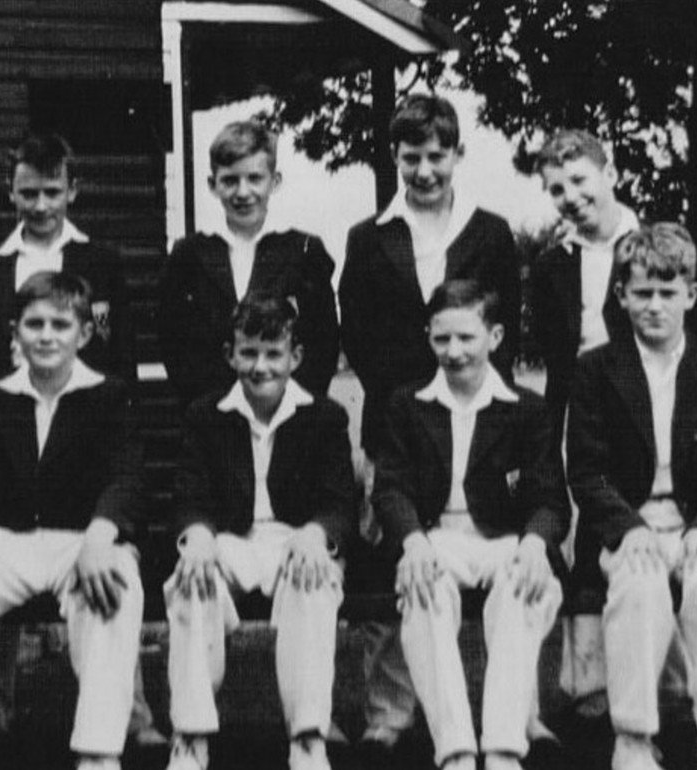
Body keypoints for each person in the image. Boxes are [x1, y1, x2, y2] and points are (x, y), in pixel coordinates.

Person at [339, 93, 521, 756]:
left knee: (491, 543)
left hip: (474, 411)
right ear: (395, 157)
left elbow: (509, 323)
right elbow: (355, 331)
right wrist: (390, 418)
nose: (423, 170)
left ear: (456, 155)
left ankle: (515, 717)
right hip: (396, 418)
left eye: (436, 156)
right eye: (411, 157)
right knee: (398, 554)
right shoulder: (369, 237)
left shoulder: (490, 232)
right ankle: (390, 708)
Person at [0, 272, 144, 770]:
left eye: (61, 325)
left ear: (84, 334)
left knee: (116, 586)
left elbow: (125, 475)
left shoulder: (109, 394)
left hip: (81, 541)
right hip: (8, 542)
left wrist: (101, 534)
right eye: (35, 323)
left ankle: (98, 751)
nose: (47, 335)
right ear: (15, 332)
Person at [567, 223, 697, 770]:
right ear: (622, 296)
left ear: (690, 295)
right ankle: (632, 735)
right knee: (639, 586)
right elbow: (586, 470)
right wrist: (628, 530)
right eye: (642, 293)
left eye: (667, 293)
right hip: (626, 525)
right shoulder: (596, 369)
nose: (654, 306)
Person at [372, 279, 568, 770]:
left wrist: (535, 543)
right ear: (428, 337)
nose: (454, 352)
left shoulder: (526, 408)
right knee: (423, 589)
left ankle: (503, 748)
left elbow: (549, 495)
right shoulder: (407, 404)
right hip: (437, 537)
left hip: (504, 540)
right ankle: (456, 749)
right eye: (442, 339)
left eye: (467, 338)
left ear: (495, 337)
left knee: (523, 586)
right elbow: (390, 488)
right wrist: (413, 542)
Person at [164, 293, 355, 770]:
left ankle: (308, 736)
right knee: (191, 579)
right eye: (248, 352)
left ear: (296, 358)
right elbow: (190, 493)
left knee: (314, 579)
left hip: (296, 539)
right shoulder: (206, 415)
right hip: (230, 540)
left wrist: (317, 532)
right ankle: (191, 735)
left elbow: (338, 501)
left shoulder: (324, 416)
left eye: (274, 354)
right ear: (230, 354)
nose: (260, 366)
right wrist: (198, 534)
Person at [528, 128, 641, 717]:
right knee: (576, 536)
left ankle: (650, 679)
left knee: (625, 528)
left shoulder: (649, 245)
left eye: (579, 180)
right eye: (556, 189)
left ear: (610, 172)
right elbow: (554, 347)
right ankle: (586, 680)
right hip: (576, 407)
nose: (570, 196)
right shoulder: (553, 264)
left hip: (638, 408)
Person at [157, 120, 339, 404]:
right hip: (213, 421)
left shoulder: (303, 252)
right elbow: (175, 346)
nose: (243, 193)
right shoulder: (188, 256)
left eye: (255, 178)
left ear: (274, 181)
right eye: (230, 180)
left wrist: (296, 409)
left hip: (288, 417)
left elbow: (322, 345)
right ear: (212, 184)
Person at [0, 132, 133, 387]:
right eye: (29, 194)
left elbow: (122, 363)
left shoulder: (104, 263)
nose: (40, 206)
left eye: (52, 193)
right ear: (11, 192)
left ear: (72, 191)